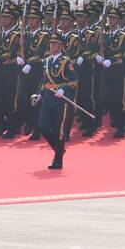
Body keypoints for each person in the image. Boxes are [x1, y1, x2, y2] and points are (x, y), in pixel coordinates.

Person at [37, 30, 78, 170]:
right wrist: (39, 94)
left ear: (61, 46)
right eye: (51, 43)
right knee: (43, 126)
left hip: (61, 100)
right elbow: (43, 81)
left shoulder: (66, 62)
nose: (51, 46)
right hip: (48, 98)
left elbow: (73, 81)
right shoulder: (47, 61)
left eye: (54, 43)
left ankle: (58, 159)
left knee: (58, 130)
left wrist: (64, 89)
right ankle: (59, 149)